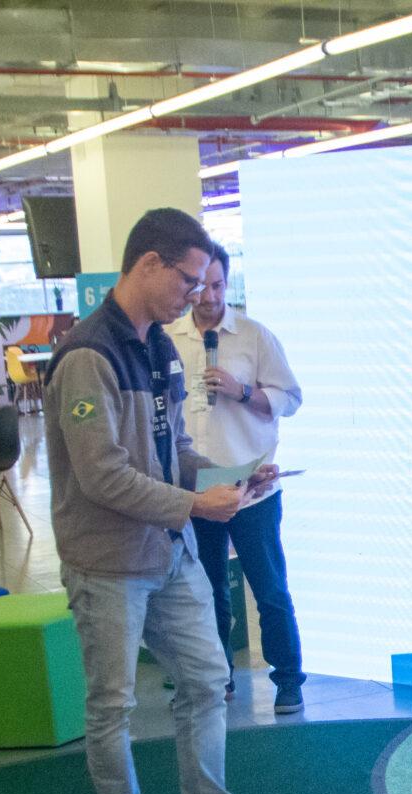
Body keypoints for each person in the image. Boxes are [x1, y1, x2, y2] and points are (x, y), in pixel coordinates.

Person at [46, 207, 298, 794]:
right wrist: (193, 504)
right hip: (108, 561)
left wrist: (231, 478)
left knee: (208, 680)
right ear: (149, 264)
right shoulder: (88, 356)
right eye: (188, 280)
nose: (196, 295)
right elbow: (101, 476)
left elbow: (174, 450)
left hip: (170, 551)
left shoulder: (158, 348)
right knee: (113, 704)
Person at [166, 244, 308, 711]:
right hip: (197, 490)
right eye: (200, 286)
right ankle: (218, 677)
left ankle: (288, 679)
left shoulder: (253, 336)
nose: (209, 296)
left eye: (218, 286)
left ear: (228, 284)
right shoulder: (168, 339)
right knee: (206, 592)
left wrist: (242, 391)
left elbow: (290, 398)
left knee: (269, 590)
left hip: (253, 487)